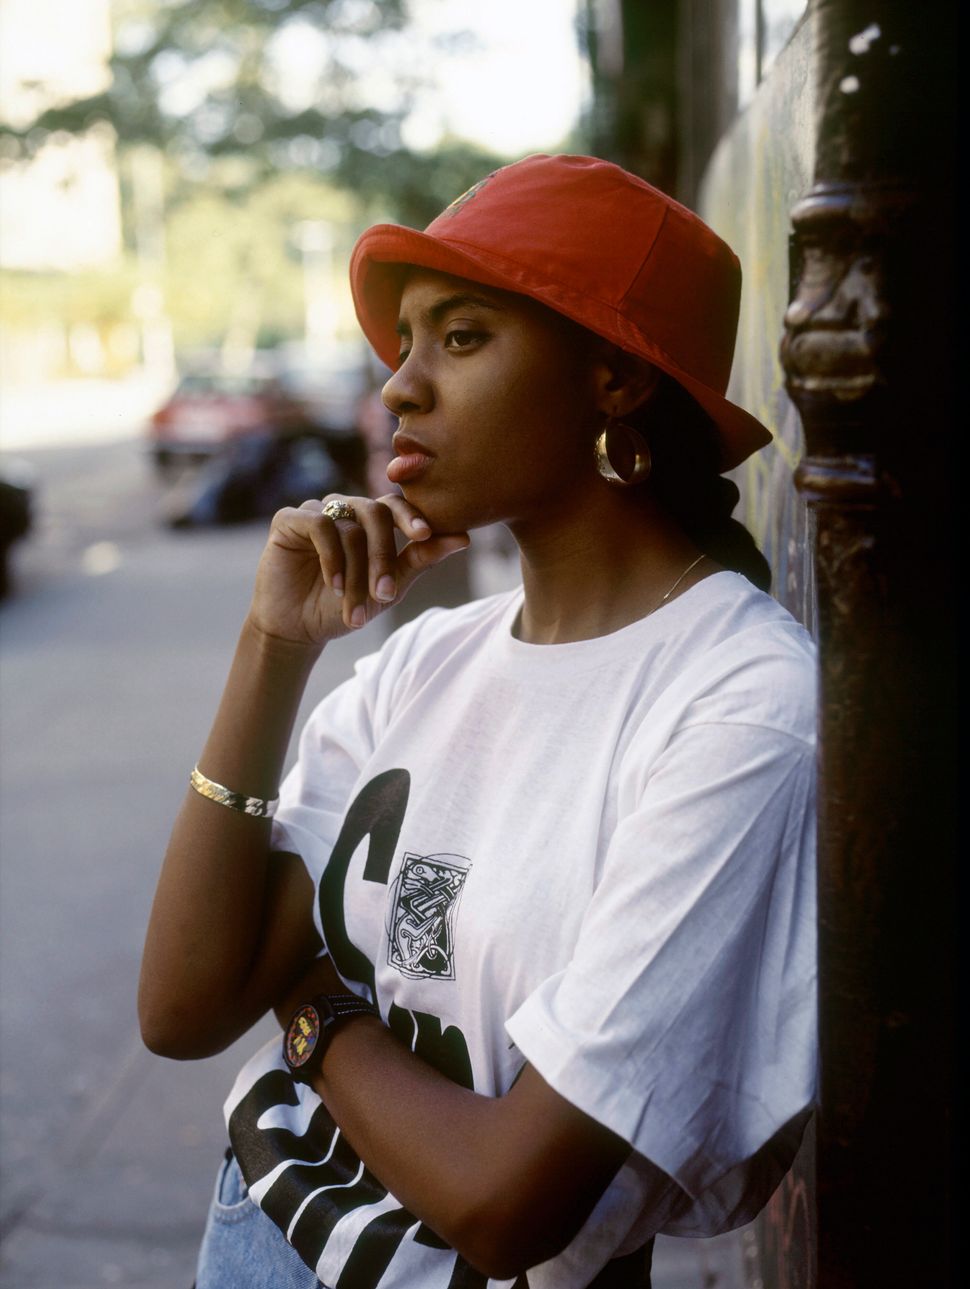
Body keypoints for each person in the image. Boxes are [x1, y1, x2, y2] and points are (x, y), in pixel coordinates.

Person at [138, 154, 817, 1289]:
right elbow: (182, 1002)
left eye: (459, 337)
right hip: (253, 1227)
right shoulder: (426, 660)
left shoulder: (741, 705)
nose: (399, 386)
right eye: (403, 344)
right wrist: (276, 645)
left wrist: (308, 1011)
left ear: (614, 380)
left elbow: (507, 1202)